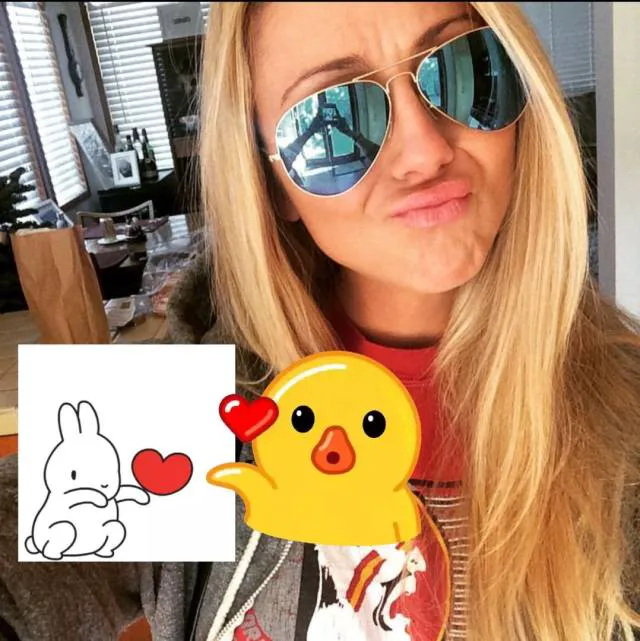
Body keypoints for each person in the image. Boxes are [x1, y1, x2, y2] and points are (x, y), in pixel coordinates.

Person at [1, 2, 640, 640]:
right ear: (272, 183)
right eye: (333, 118)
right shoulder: (197, 403)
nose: (424, 151)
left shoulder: (627, 410)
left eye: (460, 68)